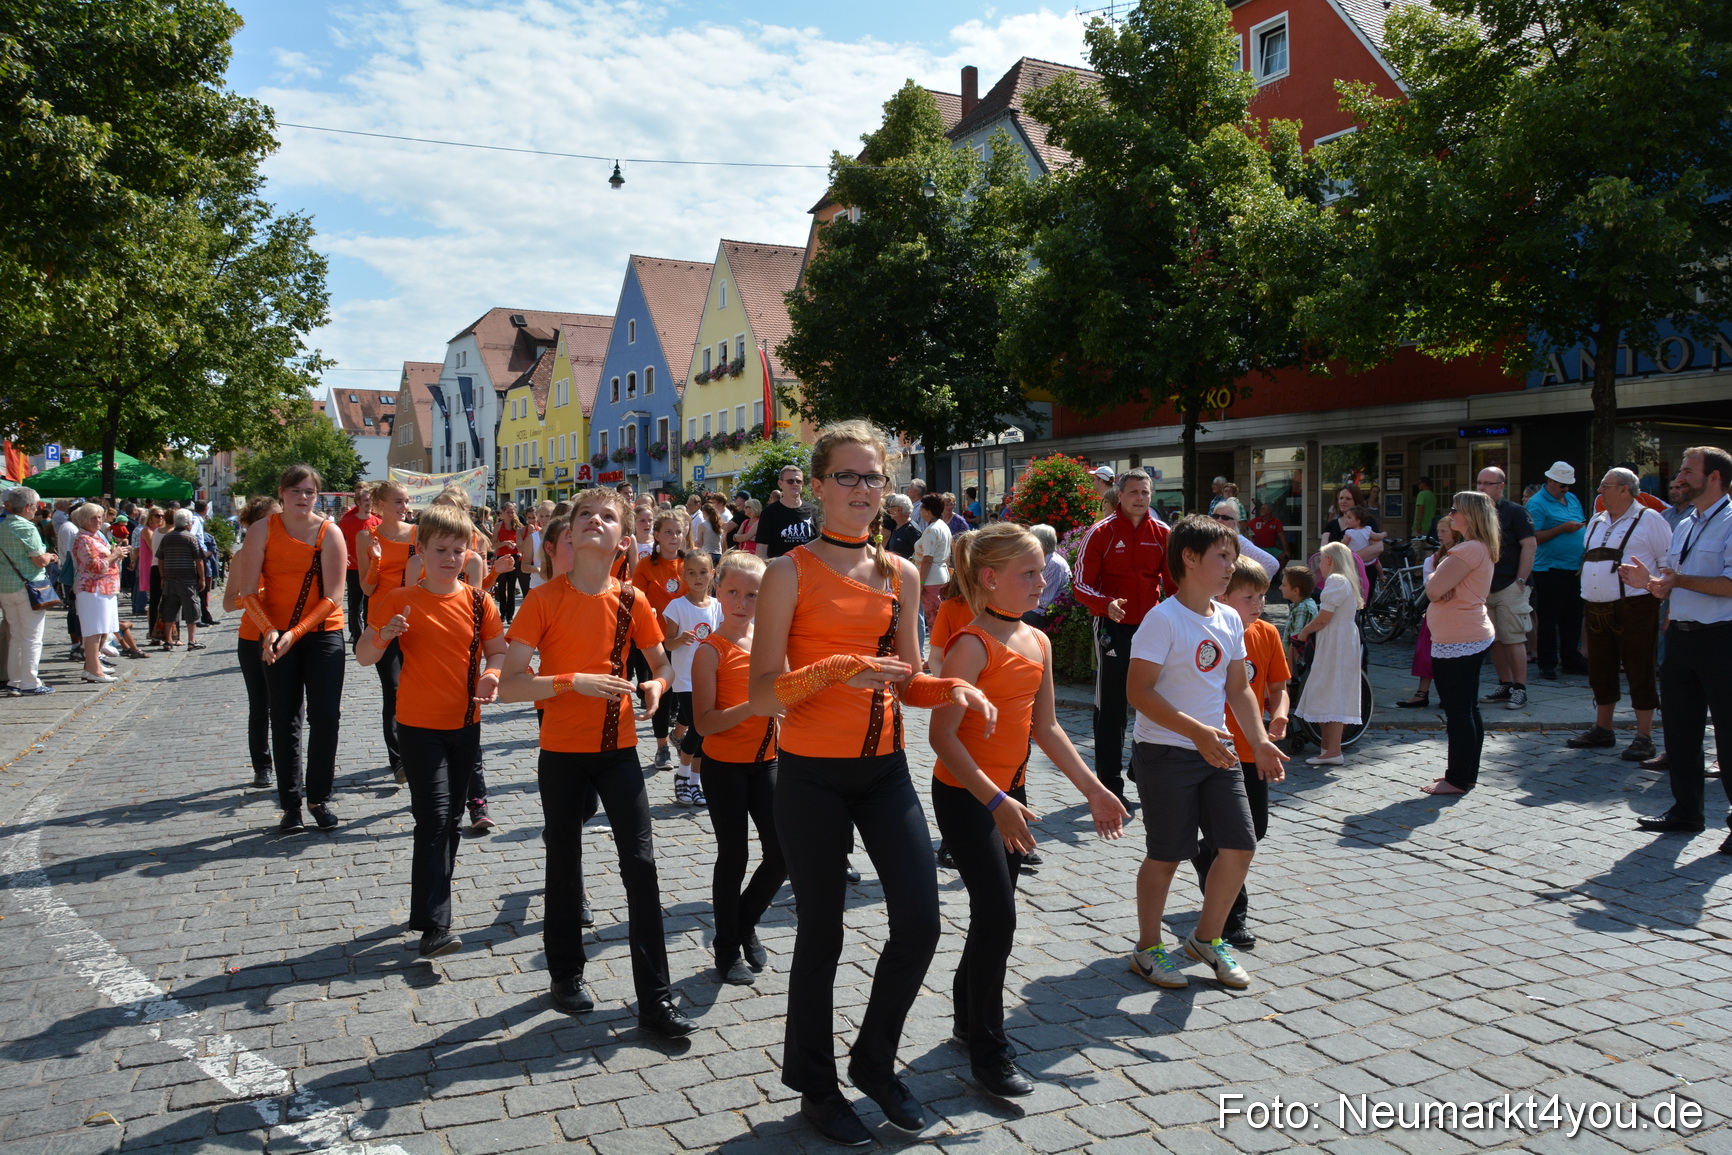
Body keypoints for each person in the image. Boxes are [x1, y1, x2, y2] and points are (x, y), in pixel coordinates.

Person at [747, 420, 996, 1147]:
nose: (862, 490)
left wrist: (954, 686)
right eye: (848, 477)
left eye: (874, 477)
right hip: (811, 775)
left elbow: (910, 681)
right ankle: (816, 1086)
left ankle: (874, 1061)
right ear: (818, 484)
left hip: (885, 771)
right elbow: (764, 693)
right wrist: (838, 668)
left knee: (921, 919)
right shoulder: (788, 572)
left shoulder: (901, 573)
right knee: (821, 932)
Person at [929, 523, 1126, 1099]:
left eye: (1042, 571)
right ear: (990, 579)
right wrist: (995, 800)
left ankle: (968, 1019)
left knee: (995, 914)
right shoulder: (970, 645)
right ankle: (990, 1051)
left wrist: (1093, 789)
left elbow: (1047, 728)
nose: (1044, 582)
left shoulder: (1034, 641)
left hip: (1009, 795)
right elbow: (943, 737)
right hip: (969, 797)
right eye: (1031, 573)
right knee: (1000, 916)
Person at [498, 487, 696, 1036]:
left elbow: (662, 666)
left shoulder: (634, 600)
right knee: (564, 864)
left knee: (642, 867)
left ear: (623, 539)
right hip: (561, 753)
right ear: (568, 531)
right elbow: (511, 686)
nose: (594, 521)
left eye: (607, 516)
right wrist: (571, 682)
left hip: (618, 753)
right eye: (585, 514)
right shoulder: (543, 599)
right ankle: (565, 973)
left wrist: (655, 687)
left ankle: (655, 999)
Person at [1123, 515, 1286, 991]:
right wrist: (1197, 732)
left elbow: (1240, 689)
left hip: (1219, 751)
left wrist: (1258, 741)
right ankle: (1147, 948)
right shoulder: (1162, 619)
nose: (1231, 566)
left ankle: (1206, 939)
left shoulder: (1230, 617)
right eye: (1223, 557)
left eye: (1233, 557)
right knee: (1168, 854)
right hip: (1166, 752)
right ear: (1190, 559)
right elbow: (1139, 692)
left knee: (1240, 846)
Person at [357, 503, 506, 961]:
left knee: (451, 821)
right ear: (419, 550)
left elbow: (497, 651)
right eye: (441, 549)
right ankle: (435, 926)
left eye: (458, 550)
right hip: (418, 727)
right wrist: (384, 635)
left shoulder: (481, 603)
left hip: (465, 725)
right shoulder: (399, 599)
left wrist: (493, 675)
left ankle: (428, 909)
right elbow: (364, 654)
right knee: (435, 818)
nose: (450, 558)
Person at [1621, 447, 1732, 846]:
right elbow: (1670, 583)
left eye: (1688, 470)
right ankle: (1686, 812)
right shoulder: (1685, 523)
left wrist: (1676, 582)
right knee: (1681, 732)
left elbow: (1729, 585)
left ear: (1714, 477)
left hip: (1723, 640)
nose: (1680, 477)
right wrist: (1646, 582)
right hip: (1681, 639)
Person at [230, 464, 348, 834]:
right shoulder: (262, 531)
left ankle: (319, 798)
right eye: (295, 490)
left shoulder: (330, 533)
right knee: (284, 719)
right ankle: (291, 804)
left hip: (322, 632)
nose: (302, 497)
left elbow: (334, 597)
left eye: (309, 491)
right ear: (281, 493)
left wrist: (294, 632)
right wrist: (267, 631)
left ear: (318, 494)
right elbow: (246, 592)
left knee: (326, 716)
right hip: (276, 634)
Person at [690, 550, 784, 985]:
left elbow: (788, 696)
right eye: (733, 592)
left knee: (782, 853)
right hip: (724, 767)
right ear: (717, 591)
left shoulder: (771, 646)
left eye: (753, 594)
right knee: (735, 854)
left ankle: (744, 921)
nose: (742, 603)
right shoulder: (710, 651)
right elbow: (705, 724)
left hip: (768, 763)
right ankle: (727, 948)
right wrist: (755, 705)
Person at [1193, 556, 1289, 949]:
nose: (1258, 604)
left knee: (1256, 829)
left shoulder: (1267, 634)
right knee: (1237, 838)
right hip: (1217, 750)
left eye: (1262, 596)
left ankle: (1205, 855)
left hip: (1255, 750)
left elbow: (1278, 687)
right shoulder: (1208, 632)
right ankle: (1233, 918)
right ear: (1223, 596)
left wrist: (1280, 716)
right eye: (1249, 596)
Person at [1073, 469, 1170, 810]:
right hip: (1112, 628)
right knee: (1111, 706)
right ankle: (1110, 784)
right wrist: (1105, 604)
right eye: (1133, 492)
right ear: (1120, 494)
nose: (1140, 498)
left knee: (1154, 702)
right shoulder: (1100, 532)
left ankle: (1138, 768)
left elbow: (1173, 587)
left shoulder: (1163, 534)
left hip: (1154, 630)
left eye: (1145, 492)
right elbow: (1080, 585)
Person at [1567, 468, 1672, 761]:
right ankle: (1603, 729)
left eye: (1606, 486)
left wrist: (1666, 605)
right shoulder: (1598, 521)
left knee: (1640, 669)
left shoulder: (1650, 520)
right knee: (1600, 669)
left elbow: (1668, 566)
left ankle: (1644, 736)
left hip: (1637, 607)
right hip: (1596, 607)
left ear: (1625, 489)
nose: (1600, 491)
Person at [1418, 491, 1499, 795]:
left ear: (1470, 515)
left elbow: (1434, 589)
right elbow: (1440, 589)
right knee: (1466, 709)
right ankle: (1463, 774)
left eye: (1455, 510)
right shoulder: (1475, 549)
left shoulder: (1467, 550)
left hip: (1462, 637)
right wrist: (1440, 586)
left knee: (1459, 711)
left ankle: (1457, 778)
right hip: (1461, 635)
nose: (1450, 514)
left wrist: (1438, 583)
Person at [358, 479, 416, 785]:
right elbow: (366, 588)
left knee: (417, 687)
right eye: (398, 502)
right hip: (382, 619)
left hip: (415, 619)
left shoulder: (418, 534)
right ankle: (399, 760)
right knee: (392, 689)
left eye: (406, 501)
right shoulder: (366, 536)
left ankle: (419, 749)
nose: (405, 507)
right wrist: (376, 560)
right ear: (381, 505)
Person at [1291, 542, 1364, 766]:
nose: (1319, 564)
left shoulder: (1336, 580)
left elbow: (1324, 618)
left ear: (1330, 560)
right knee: (1334, 692)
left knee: (1328, 691)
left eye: (1321, 559)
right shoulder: (1347, 581)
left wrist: (1303, 633)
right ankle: (1329, 749)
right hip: (1341, 641)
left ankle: (1332, 750)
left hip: (1335, 643)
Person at [224, 497, 280, 789]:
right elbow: (227, 604)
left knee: (288, 706)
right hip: (252, 637)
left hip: (285, 634)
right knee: (260, 705)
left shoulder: (289, 551)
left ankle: (290, 764)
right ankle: (262, 765)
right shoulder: (242, 556)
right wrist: (252, 593)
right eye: (275, 518)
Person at [662, 550, 723, 807]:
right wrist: (680, 639)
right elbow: (668, 642)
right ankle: (683, 775)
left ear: (712, 574)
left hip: (709, 678)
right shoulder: (677, 606)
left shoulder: (718, 606)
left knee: (702, 730)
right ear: (683, 575)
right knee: (698, 728)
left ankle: (695, 782)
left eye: (703, 572)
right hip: (685, 678)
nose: (698, 577)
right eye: (692, 572)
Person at [1476, 466, 1537, 709]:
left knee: (1513, 638)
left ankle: (1520, 688)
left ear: (1501, 486)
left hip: (1510, 584)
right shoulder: (1476, 512)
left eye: (1487, 483)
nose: (1481, 487)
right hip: (1484, 586)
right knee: (1495, 639)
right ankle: (1505, 684)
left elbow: (1530, 546)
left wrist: (1520, 581)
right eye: (1479, 483)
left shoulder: (1515, 512)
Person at [633, 509, 688, 769]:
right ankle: (661, 747)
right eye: (668, 532)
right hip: (658, 640)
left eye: (678, 531)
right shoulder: (646, 566)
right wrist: (647, 610)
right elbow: (637, 599)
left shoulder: (691, 562)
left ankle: (678, 734)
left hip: (688, 640)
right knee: (664, 695)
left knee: (687, 696)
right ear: (656, 535)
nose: (674, 537)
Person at [1527, 462, 1588, 679]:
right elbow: (1534, 537)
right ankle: (1547, 663)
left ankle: (1570, 659)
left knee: (1572, 617)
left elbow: (1580, 523)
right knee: (1549, 617)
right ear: (1550, 481)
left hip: (1574, 567)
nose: (1566, 489)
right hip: (1550, 568)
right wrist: (1563, 528)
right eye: (1562, 485)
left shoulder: (1571, 498)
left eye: (1568, 485)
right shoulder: (1537, 503)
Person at [1395, 514, 1459, 709]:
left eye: (1443, 531)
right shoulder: (1434, 559)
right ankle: (1421, 694)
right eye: (1438, 531)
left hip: (1456, 614)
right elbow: (1431, 587)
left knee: (1453, 656)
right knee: (1426, 652)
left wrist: (1446, 586)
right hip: (1437, 611)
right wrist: (1443, 587)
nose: (1439, 535)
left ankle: (1449, 694)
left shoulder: (1462, 555)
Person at [0, 486, 56, 696]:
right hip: (28, 586)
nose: (36, 510)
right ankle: (30, 682)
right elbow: (39, 560)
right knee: (32, 637)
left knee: (15, 635)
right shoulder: (27, 527)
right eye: (35, 506)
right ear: (28, 507)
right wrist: (50, 557)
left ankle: (15, 680)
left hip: (5, 586)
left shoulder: (2, 525)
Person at [70, 503, 126, 685]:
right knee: (93, 630)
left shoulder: (93, 537)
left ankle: (92, 667)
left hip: (103, 588)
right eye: (93, 518)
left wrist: (116, 554)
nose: (98, 520)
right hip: (92, 588)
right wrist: (113, 555)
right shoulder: (84, 539)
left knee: (101, 628)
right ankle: (94, 669)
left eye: (100, 517)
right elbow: (95, 566)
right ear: (83, 520)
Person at [154, 509, 206, 651]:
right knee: (192, 610)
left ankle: (168, 641)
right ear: (188, 523)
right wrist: (202, 578)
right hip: (187, 580)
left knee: (169, 610)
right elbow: (199, 560)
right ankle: (192, 641)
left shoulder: (167, 538)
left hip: (170, 579)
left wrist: (163, 577)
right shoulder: (190, 538)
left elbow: (160, 559)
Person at [337, 486, 380, 644]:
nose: (370, 504)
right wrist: (343, 554)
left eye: (371, 501)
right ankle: (357, 637)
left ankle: (368, 639)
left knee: (370, 606)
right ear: (358, 503)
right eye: (367, 501)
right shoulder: (347, 522)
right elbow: (337, 541)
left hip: (372, 568)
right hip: (354, 568)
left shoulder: (378, 522)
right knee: (355, 606)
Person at [913, 494, 953, 635]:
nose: (920, 511)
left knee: (933, 620)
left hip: (931, 578)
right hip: (941, 574)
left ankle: (940, 652)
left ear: (928, 510)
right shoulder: (943, 526)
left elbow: (927, 559)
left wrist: (921, 582)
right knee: (938, 617)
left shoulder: (932, 529)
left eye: (922, 508)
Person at [758, 464, 816, 559]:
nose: (795, 484)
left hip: (808, 568)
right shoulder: (769, 512)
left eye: (798, 481)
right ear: (780, 484)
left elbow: (819, 543)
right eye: (790, 481)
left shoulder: (812, 510)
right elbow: (762, 548)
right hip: (780, 570)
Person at [1209, 503, 1281, 578]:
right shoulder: (1211, 539)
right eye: (1216, 516)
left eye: (1225, 517)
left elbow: (1272, 564)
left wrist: (1252, 586)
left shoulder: (1238, 541)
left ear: (1235, 522)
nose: (1219, 520)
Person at [1028, 523, 1070, 628]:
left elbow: (1044, 602)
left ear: (1041, 543)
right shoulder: (1040, 559)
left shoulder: (1054, 564)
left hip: (1044, 614)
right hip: (1033, 608)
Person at [492, 503, 526, 624]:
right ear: (503, 513)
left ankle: (510, 615)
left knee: (511, 587)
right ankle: (503, 612)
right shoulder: (498, 526)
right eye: (508, 512)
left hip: (515, 557)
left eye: (512, 512)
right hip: (502, 557)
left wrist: (516, 545)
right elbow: (493, 544)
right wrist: (505, 543)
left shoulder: (518, 526)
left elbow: (524, 542)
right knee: (501, 587)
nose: (511, 515)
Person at [884, 493, 920, 560]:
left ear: (898, 509)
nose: (888, 510)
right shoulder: (896, 526)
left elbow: (920, 555)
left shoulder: (912, 530)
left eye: (891, 507)